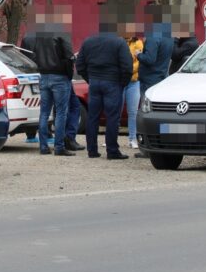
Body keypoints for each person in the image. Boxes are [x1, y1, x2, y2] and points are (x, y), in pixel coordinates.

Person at [76, 10, 132, 160]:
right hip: (113, 83)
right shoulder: (119, 42)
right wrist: (122, 83)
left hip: (94, 83)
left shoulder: (88, 42)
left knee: (93, 117)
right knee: (112, 118)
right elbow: (127, 67)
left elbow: (80, 64)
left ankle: (92, 150)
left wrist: (89, 79)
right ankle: (112, 151)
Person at [20, 13, 78, 156]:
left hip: (43, 76)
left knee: (44, 112)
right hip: (59, 77)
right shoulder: (61, 34)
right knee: (61, 112)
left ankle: (43, 146)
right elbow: (69, 56)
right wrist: (71, 68)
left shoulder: (39, 36)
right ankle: (59, 147)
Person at [137, 5, 174, 99]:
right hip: (162, 77)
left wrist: (138, 54)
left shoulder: (153, 36)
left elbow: (149, 59)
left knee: (146, 107)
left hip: (149, 80)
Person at [124, 32, 144, 149]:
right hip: (121, 82)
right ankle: (111, 138)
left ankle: (132, 139)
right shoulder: (119, 42)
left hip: (133, 82)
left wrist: (128, 70)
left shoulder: (138, 43)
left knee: (133, 112)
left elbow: (139, 61)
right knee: (114, 111)